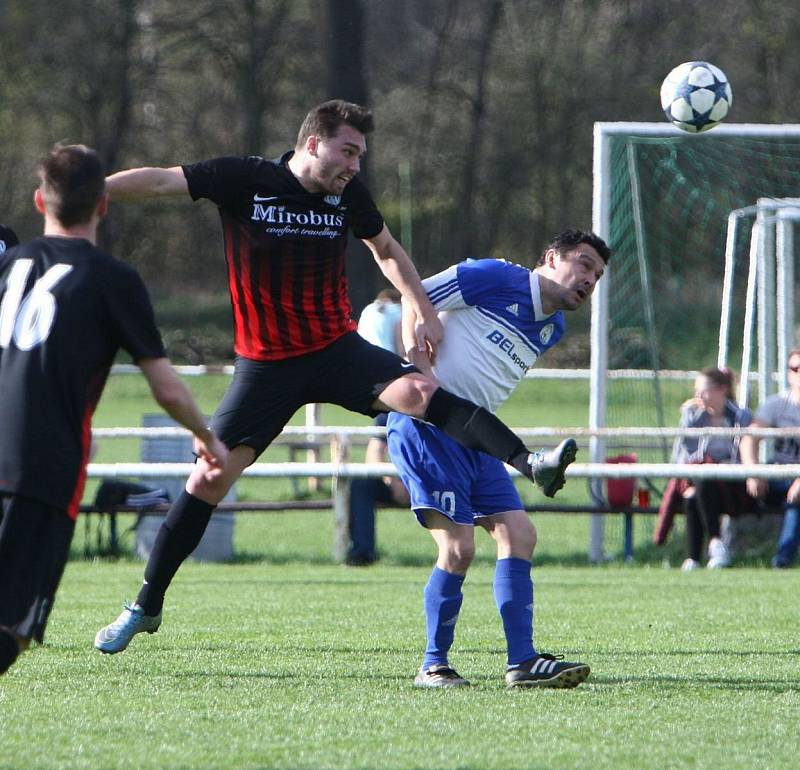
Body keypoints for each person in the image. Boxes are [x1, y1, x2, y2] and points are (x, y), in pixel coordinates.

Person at [94, 99, 575, 654]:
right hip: (267, 366)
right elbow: (158, 182)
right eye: (348, 151)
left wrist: (419, 304)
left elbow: (386, 248)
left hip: (335, 351)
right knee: (208, 478)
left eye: (361, 156)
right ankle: (145, 606)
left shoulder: (348, 195)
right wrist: (92, 195)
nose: (355, 165)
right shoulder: (245, 178)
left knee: (421, 392)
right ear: (313, 142)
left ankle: (529, 461)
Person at [0, 144, 228, 675]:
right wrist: (206, 436)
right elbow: (167, 389)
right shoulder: (112, 279)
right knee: (12, 629)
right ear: (103, 204)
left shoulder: (9, 265)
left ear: (39, 201)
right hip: (40, 470)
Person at [386, 229, 609, 689]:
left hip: (476, 435)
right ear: (551, 257)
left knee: (520, 533)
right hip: (428, 427)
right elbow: (413, 296)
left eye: (598, 275)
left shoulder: (553, 327)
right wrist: (419, 368)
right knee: (458, 549)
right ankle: (432, 665)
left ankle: (522, 662)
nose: (590, 279)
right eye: (584, 264)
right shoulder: (491, 276)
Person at [667, 367, 756, 571]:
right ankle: (696, 557)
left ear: (722, 390)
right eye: (696, 391)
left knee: (704, 480)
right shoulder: (692, 416)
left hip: (733, 484)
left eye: (704, 391)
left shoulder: (740, 417)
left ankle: (712, 544)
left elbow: (743, 457)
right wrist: (686, 480)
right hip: (697, 479)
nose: (698, 396)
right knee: (695, 490)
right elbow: (682, 454)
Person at [346, 288, 408, 565]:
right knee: (360, 484)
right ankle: (361, 553)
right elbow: (376, 450)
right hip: (401, 480)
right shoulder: (394, 401)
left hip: (435, 477)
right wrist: (392, 480)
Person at [740, 348, 800, 568]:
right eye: (794, 368)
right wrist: (754, 472)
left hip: (798, 481)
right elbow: (750, 439)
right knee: (721, 486)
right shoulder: (776, 404)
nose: (799, 373)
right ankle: (718, 552)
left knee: (796, 501)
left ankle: (782, 560)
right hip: (777, 474)